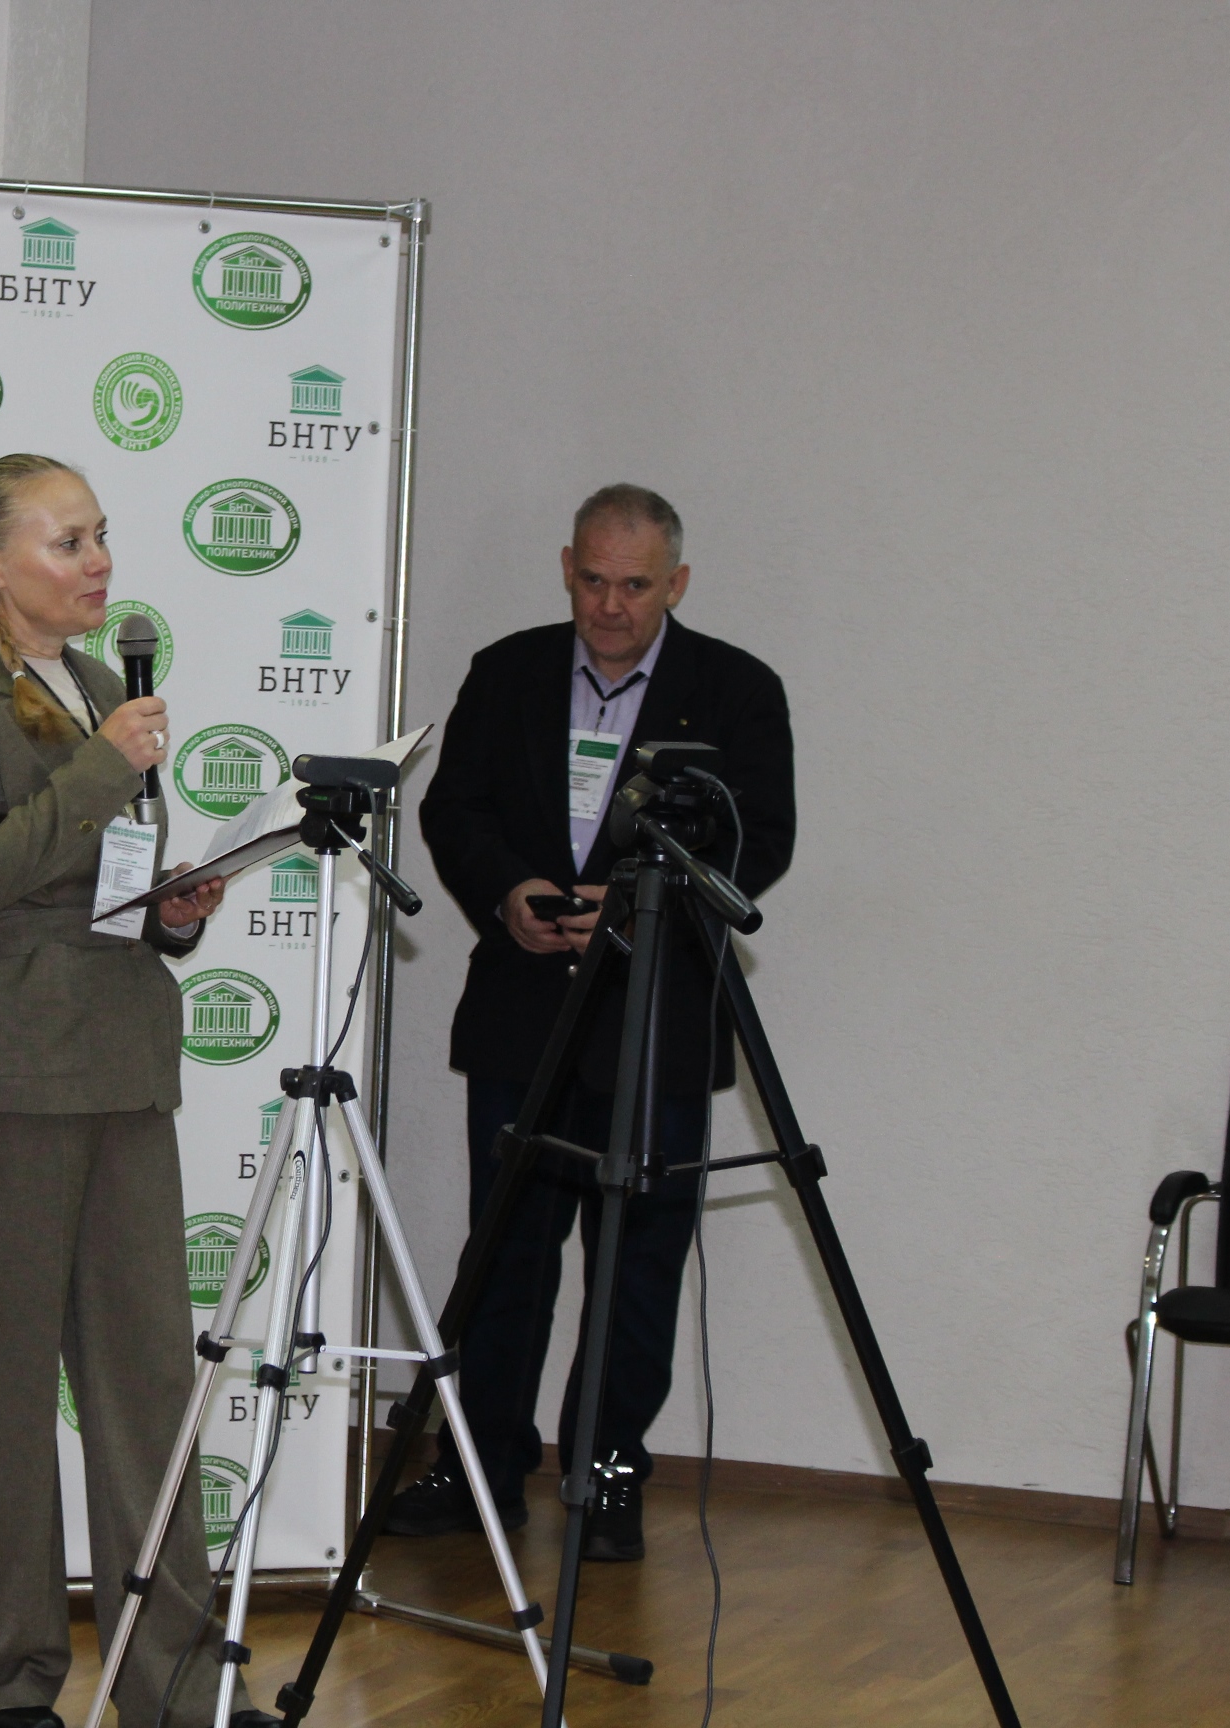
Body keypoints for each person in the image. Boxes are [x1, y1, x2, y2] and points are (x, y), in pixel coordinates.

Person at [0, 453, 270, 1728]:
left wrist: (175, 912)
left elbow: (103, 883)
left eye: (102, 535)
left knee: (149, 1387)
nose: (100, 562)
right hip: (4, 1068)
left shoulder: (108, 688)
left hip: (120, 1061)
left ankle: (173, 1689)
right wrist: (107, 767)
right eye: (68, 542)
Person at [393, 484, 795, 1561]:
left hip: (655, 1017)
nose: (611, 606)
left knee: (638, 1266)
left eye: (636, 585)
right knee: (506, 1254)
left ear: (677, 584)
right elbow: (452, 807)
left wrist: (635, 903)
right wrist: (509, 892)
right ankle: (478, 1469)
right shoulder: (508, 670)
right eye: (594, 581)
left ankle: (607, 1475)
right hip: (523, 1009)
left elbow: (762, 841)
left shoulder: (737, 691)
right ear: (567, 568)